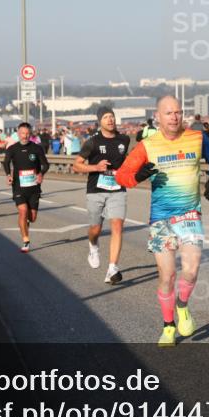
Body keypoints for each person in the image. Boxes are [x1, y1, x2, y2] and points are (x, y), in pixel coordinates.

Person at [115, 96, 209, 347]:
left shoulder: (197, 138)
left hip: (189, 214)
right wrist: (138, 176)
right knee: (167, 275)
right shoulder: (147, 145)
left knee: (192, 269)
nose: (174, 117)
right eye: (168, 113)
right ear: (158, 117)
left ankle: (182, 306)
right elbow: (123, 176)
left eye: (178, 112)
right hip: (161, 219)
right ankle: (168, 326)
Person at [73, 106, 130, 284]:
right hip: (95, 190)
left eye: (112, 116)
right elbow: (77, 165)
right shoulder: (92, 142)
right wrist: (95, 167)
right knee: (95, 229)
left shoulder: (124, 139)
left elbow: (128, 160)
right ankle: (93, 245)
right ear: (100, 121)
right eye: (105, 117)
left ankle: (112, 268)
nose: (110, 120)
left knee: (117, 225)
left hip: (117, 189)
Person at [3, 122, 50, 252]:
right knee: (23, 211)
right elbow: (6, 162)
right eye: (22, 133)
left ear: (31, 134)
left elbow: (46, 165)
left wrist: (41, 174)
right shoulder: (12, 149)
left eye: (27, 133)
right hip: (18, 186)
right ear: (18, 134)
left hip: (34, 187)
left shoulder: (37, 148)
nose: (25, 136)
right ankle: (26, 241)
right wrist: (8, 175)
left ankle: (26, 222)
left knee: (32, 217)